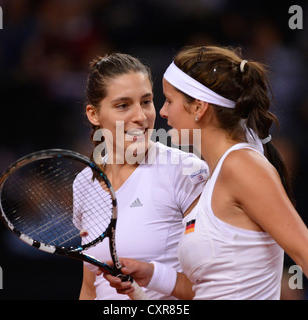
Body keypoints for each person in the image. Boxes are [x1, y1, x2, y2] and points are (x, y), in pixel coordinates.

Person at [100, 45, 308, 300]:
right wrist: (151, 274)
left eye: (170, 101)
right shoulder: (216, 174)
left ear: (199, 107)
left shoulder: (241, 166)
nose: (162, 112)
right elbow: (211, 288)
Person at [78, 52, 209, 300]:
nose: (141, 116)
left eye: (146, 101)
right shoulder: (85, 182)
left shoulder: (186, 171)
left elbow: (216, 288)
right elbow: (90, 286)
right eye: (123, 105)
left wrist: (152, 278)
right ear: (93, 114)